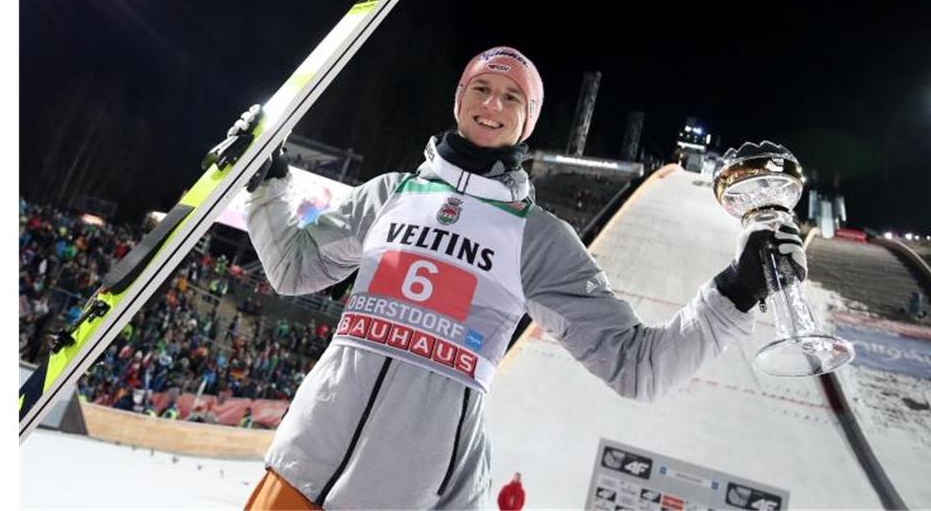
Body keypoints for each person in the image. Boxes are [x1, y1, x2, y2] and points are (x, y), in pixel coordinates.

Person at [223, 46, 807, 510]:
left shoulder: (538, 238)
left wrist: (738, 290)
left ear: (526, 123)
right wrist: (265, 184)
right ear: (459, 99)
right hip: (301, 464)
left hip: (405, 494)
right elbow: (295, 267)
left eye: (511, 98)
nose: (492, 105)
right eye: (481, 88)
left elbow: (638, 367)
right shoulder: (389, 196)